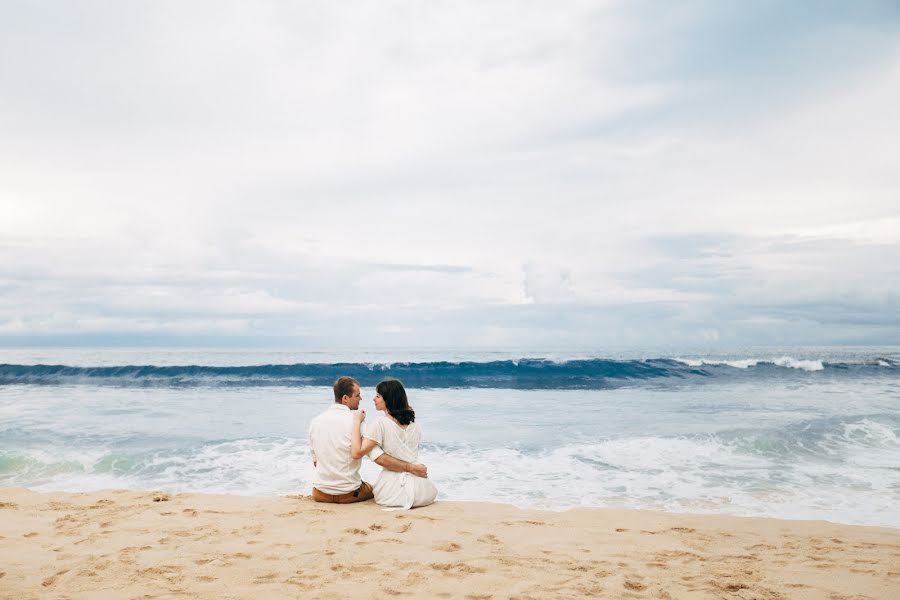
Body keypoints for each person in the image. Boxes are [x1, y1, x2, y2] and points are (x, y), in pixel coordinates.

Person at [308, 376, 428, 504]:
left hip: (319, 493)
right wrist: (411, 468)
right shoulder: (358, 422)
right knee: (373, 489)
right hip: (349, 494)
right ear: (345, 398)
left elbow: (316, 462)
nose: (361, 398)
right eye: (357, 395)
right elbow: (378, 457)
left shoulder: (315, 422)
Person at [351, 378, 437, 510]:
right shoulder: (415, 424)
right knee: (374, 447)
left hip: (392, 491)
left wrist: (357, 422)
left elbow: (357, 453)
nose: (374, 399)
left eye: (378, 396)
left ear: (388, 399)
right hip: (422, 490)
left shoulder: (380, 423)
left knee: (371, 448)